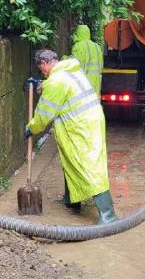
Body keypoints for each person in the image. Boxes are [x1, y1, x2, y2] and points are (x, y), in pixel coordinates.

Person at [24, 49, 117, 224]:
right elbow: (62, 88)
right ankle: (72, 201)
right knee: (71, 160)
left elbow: (44, 115)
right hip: (90, 120)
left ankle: (108, 215)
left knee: (88, 166)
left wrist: (31, 128)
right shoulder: (71, 70)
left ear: (44, 64)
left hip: (79, 126)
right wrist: (40, 84)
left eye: (41, 70)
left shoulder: (55, 82)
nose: (43, 73)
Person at [70, 24, 104, 96]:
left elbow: (74, 65)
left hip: (82, 83)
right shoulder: (97, 47)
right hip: (96, 84)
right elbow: (101, 65)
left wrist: (65, 58)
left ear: (78, 33)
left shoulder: (78, 46)